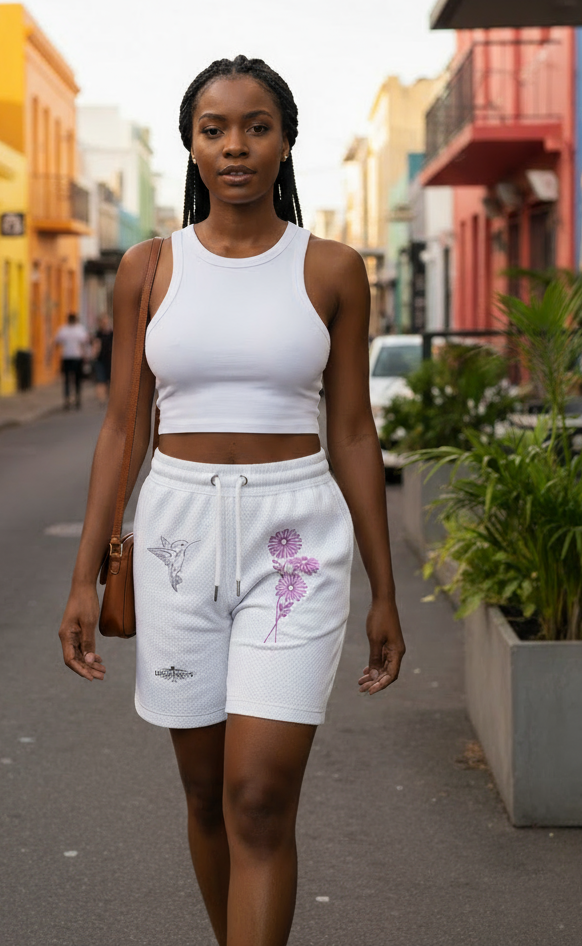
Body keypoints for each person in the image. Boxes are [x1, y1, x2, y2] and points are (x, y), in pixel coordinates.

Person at [59, 56, 406, 946]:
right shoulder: (148, 268)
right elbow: (122, 432)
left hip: (295, 534)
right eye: (214, 129)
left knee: (259, 797)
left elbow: (357, 434)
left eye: (256, 126)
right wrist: (83, 577)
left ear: (286, 141)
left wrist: (385, 589)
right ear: (190, 144)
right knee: (207, 795)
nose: (236, 146)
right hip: (177, 531)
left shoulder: (331, 269)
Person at [54, 312, 90, 409]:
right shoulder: (80, 329)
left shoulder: (63, 329)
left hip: (67, 357)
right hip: (76, 357)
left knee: (67, 380)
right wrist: (86, 354)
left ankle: (68, 400)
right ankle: (77, 399)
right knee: (76, 380)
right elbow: (85, 342)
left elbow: (57, 342)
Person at [91, 312, 113, 403]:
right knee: (101, 379)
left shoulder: (112, 333)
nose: (104, 323)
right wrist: (93, 355)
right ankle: (102, 400)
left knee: (110, 379)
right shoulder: (98, 334)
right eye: (103, 321)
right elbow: (95, 345)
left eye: (106, 321)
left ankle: (109, 398)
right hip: (100, 359)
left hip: (110, 359)